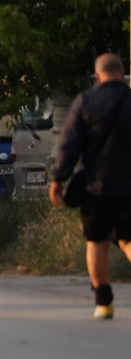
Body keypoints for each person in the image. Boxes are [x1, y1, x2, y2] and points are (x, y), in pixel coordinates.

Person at [50, 52, 131, 320]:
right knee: (128, 239)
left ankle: (103, 302)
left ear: (97, 76)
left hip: (96, 187)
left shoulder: (86, 101)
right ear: (122, 72)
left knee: (96, 241)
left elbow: (69, 144)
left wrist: (58, 178)